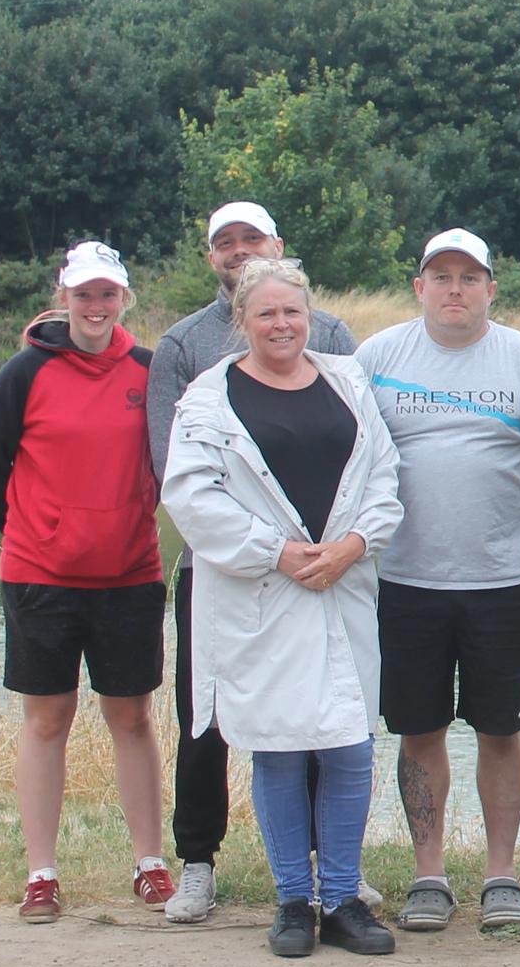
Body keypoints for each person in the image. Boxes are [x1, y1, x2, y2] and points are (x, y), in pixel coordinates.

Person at [161, 258, 405, 959]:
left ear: (310, 315)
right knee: (278, 743)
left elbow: (384, 477)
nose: (281, 325)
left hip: (341, 587)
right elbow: (192, 498)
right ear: (242, 319)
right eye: (266, 313)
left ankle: (343, 899)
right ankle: (293, 900)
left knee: (350, 745)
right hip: (265, 593)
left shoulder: (347, 382)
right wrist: (279, 552)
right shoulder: (210, 400)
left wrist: (354, 543)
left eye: (292, 312)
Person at [146, 199, 362, 925]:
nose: (238, 250)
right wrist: (267, 546)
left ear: (277, 243)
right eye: (224, 242)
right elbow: (168, 462)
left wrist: (326, 547)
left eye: (251, 238)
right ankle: (198, 860)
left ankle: (319, 875)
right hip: (224, 570)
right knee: (204, 719)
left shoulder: (328, 331)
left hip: (323, 568)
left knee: (319, 719)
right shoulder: (182, 344)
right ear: (210, 255)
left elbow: (356, 449)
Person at [356, 228, 520, 934]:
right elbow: (348, 456)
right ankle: (429, 873)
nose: (454, 289)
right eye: (440, 276)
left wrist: (515, 502)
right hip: (406, 580)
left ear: (491, 288)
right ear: (419, 286)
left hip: (499, 580)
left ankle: (501, 873)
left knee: (500, 727)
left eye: (469, 277)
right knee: (420, 729)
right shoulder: (378, 357)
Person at [0, 242, 169, 922]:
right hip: (40, 576)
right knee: (47, 718)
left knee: (132, 716)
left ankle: (150, 862)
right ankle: (42, 874)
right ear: (64, 297)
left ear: (124, 300)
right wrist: (33, 527)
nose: (95, 306)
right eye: (83, 294)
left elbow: (173, 462)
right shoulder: (25, 372)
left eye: (107, 294)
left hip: (130, 573)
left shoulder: (149, 371)